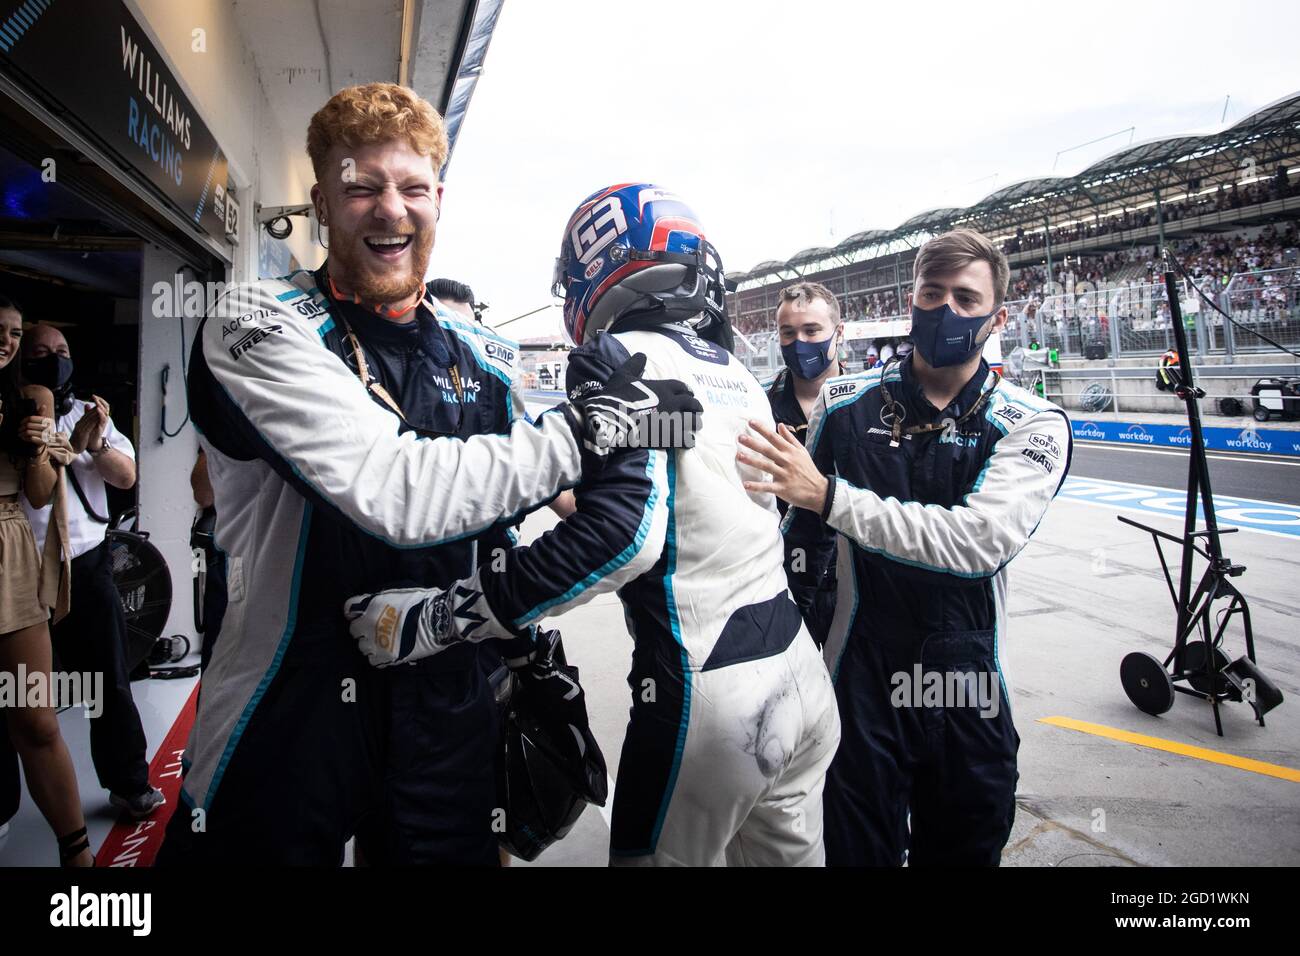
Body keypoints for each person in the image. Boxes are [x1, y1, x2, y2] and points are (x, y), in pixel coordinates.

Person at [156, 86, 700, 866]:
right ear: (320, 201)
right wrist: (591, 429)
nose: (390, 211)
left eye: (412, 189)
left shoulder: (485, 354)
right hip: (286, 705)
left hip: (448, 698)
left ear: (438, 199)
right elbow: (393, 489)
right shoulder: (256, 319)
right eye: (361, 188)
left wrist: (661, 458)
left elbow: (573, 498)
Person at [345, 183, 841, 867]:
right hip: (801, 674)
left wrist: (439, 619)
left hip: (711, 686)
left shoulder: (618, 357)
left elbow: (623, 538)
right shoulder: (735, 371)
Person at [737, 228, 1073, 866]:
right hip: (858, 678)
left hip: (967, 685)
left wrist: (831, 497)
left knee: (966, 849)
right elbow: (792, 553)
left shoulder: (1032, 422)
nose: (947, 308)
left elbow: (977, 544)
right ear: (913, 297)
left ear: (997, 317)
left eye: (967, 299)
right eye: (933, 291)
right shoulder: (844, 406)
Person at [19, 323, 165, 821]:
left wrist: (94, 444)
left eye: (61, 351)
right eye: (39, 352)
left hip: (86, 561)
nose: (53, 359)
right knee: (16, 686)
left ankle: (129, 785)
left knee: (108, 680)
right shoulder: (15, 414)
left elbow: (126, 475)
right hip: (21, 567)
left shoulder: (88, 414)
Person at [0, 296, 93, 866]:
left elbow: (37, 493)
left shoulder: (28, 397)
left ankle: (78, 858)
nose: (6, 342)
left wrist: (40, 448)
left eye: (12, 332)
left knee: (35, 718)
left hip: (8, 546)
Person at [763, 282, 845, 643]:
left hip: (857, 587)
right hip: (779, 581)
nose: (800, 342)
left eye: (812, 330)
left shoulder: (876, 405)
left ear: (838, 332)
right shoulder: (757, 407)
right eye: (789, 332)